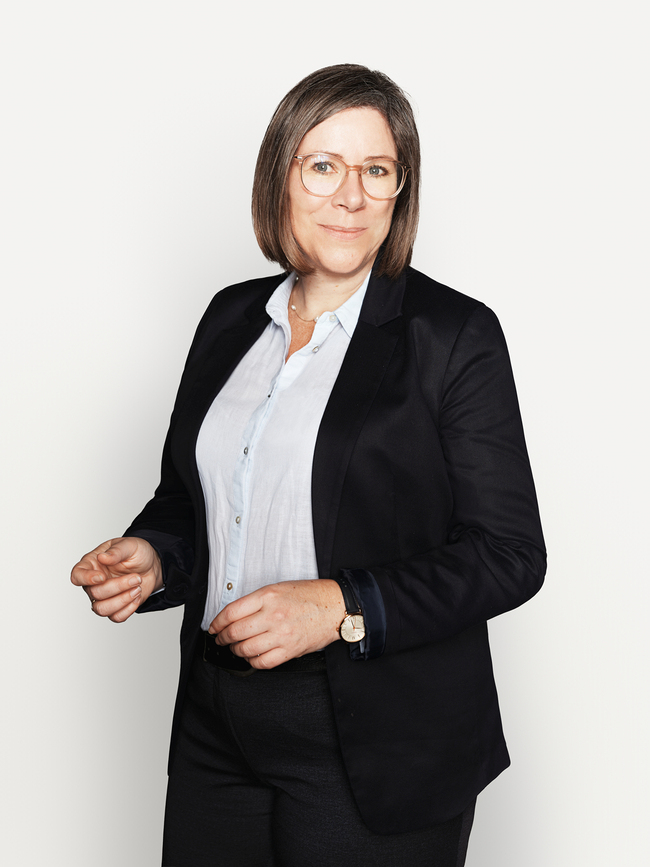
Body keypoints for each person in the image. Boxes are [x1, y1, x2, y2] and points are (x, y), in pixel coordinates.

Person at [71, 64, 545, 867]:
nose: (351, 196)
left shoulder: (453, 336)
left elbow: (510, 554)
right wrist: (153, 554)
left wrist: (340, 605)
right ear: (280, 177)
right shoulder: (230, 318)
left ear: (400, 189)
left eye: (377, 170)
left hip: (378, 741)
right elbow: (194, 498)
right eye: (323, 165)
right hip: (216, 725)